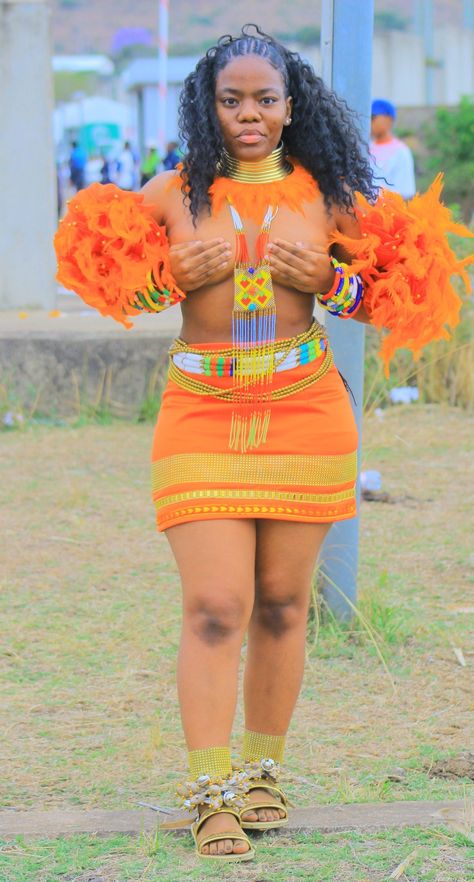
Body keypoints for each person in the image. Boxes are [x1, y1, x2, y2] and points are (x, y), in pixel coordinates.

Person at [55, 25, 469, 865]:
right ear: (209, 106)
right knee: (216, 608)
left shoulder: (331, 192)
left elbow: (393, 296)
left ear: (290, 107)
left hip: (306, 412)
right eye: (232, 99)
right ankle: (209, 796)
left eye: (265, 100)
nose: (249, 114)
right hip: (201, 415)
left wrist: (330, 281)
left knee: (283, 604)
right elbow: (116, 288)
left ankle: (263, 774)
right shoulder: (175, 191)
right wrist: (176, 273)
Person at [369, 98, 416, 199]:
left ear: (389, 119)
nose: (369, 122)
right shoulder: (366, 148)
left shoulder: (401, 152)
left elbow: (405, 192)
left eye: (373, 118)